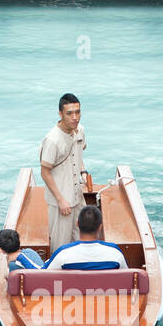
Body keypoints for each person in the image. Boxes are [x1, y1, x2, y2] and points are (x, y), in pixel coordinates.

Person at [40, 94, 88, 253]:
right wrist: (60, 200)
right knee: (60, 245)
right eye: (69, 113)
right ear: (60, 114)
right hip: (61, 200)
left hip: (77, 195)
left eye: (78, 112)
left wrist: (83, 171)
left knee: (81, 238)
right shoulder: (52, 140)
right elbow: (44, 172)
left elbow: (78, 153)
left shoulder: (80, 130)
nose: (75, 117)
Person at [44, 206, 126, 270]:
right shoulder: (115, 253)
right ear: (100, 227)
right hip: (105, 291)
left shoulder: (63, 254)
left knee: (31, 254)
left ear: (77, 224)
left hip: (72, 291)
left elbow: (44, 275)